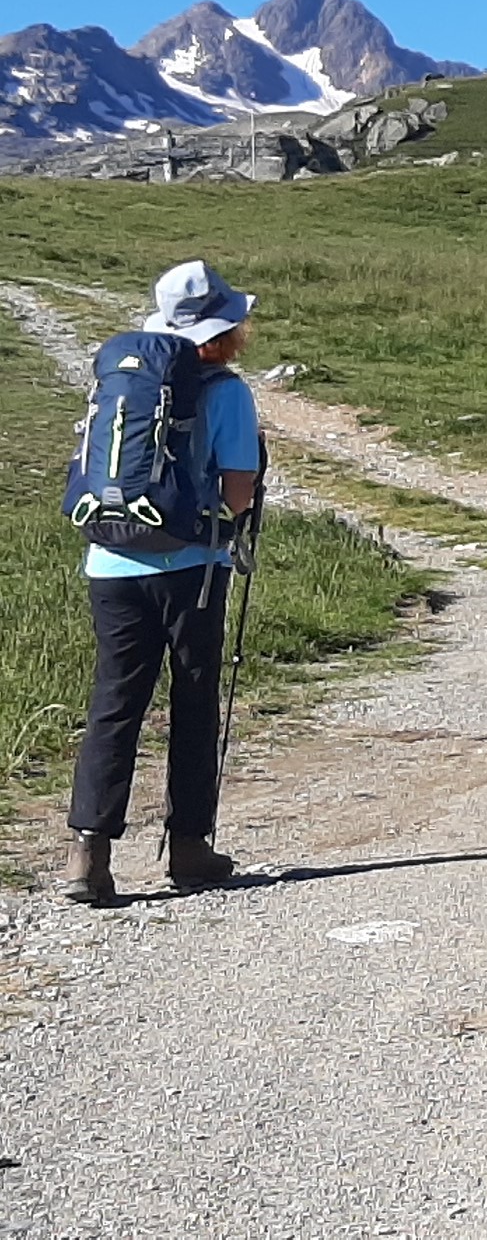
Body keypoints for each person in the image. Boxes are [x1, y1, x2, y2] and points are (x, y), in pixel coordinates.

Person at [62, 261, 263, 906]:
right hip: (192, 568)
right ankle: (189, 848)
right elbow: (238, 494)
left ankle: (88, 854)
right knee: (194, 699)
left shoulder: (124, 382)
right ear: (223, 331)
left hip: (110, 562)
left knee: (115, 701)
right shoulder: (225, 391)